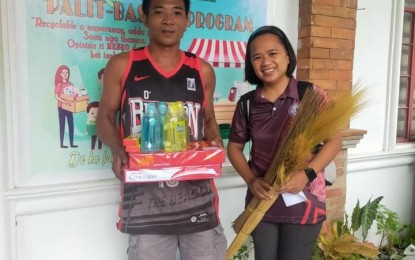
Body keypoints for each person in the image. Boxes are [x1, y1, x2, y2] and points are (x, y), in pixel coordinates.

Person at [96, 0, 227, 259]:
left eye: (177, 12)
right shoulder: (123, 65)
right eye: (159, 12)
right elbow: (104, 117)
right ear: (145, 17)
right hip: (146, 207)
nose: (168, 19)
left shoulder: (202, 70)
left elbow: (209, 118)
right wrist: (117, 149)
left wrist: (214, 142)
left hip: (198, 203)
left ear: (187, 19)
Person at [227, 25, 342, 260]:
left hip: (304, 201)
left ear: (288, 56)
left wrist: (306, 174)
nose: (265, 62)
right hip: (263, 201)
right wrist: (251, 180)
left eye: (272, 53)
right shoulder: (247, 103)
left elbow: (334, 140)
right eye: (257, 57)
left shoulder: (310, 95)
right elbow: (234, 148)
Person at [54, 65, 78, 149]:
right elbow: (56, 96)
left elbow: (74, 95)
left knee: (71, 124)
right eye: (63, 73)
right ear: (60, 74)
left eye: (66, 72)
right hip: (61, 107)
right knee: (62, 125)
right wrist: (64, 102)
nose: (65, 74)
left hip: (69, 107)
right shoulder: (59, 84)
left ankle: (71, 143)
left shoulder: (70, 84)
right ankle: (61, 144)